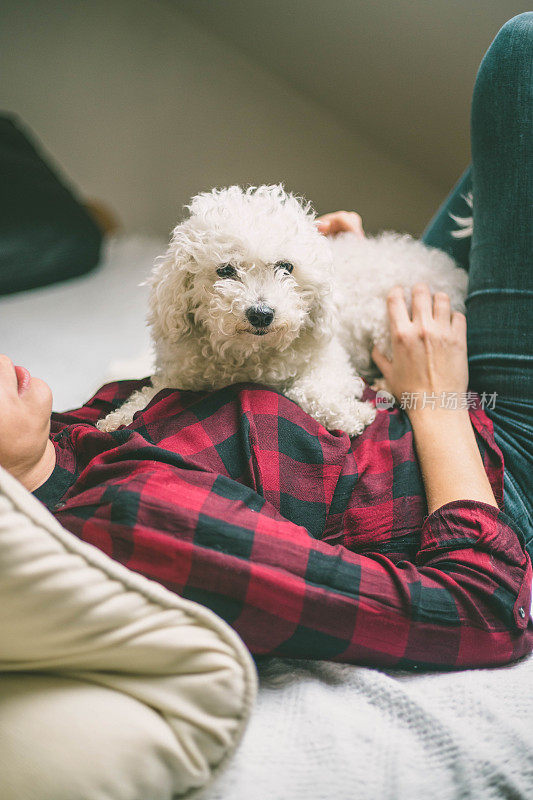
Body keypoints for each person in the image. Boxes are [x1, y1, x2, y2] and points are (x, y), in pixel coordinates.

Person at [2, 13, 532, 668]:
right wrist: (436, 400)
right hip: (488, 456)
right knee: (522, 59)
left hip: (390, 371)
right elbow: (483, 612)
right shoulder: (138, 518)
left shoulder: (60, 439)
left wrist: (331, 283)